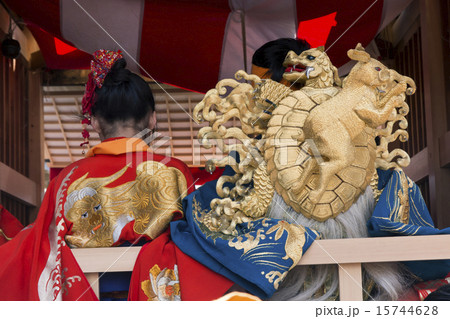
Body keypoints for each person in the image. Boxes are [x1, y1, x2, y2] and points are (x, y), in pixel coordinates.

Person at [0, 49, 233, 300]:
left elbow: (42, 246)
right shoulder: (174, 170)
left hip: (88, 297)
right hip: (158, 293)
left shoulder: (67, 179)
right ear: (152, 119)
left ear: (95, 123)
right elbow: (197, 239)